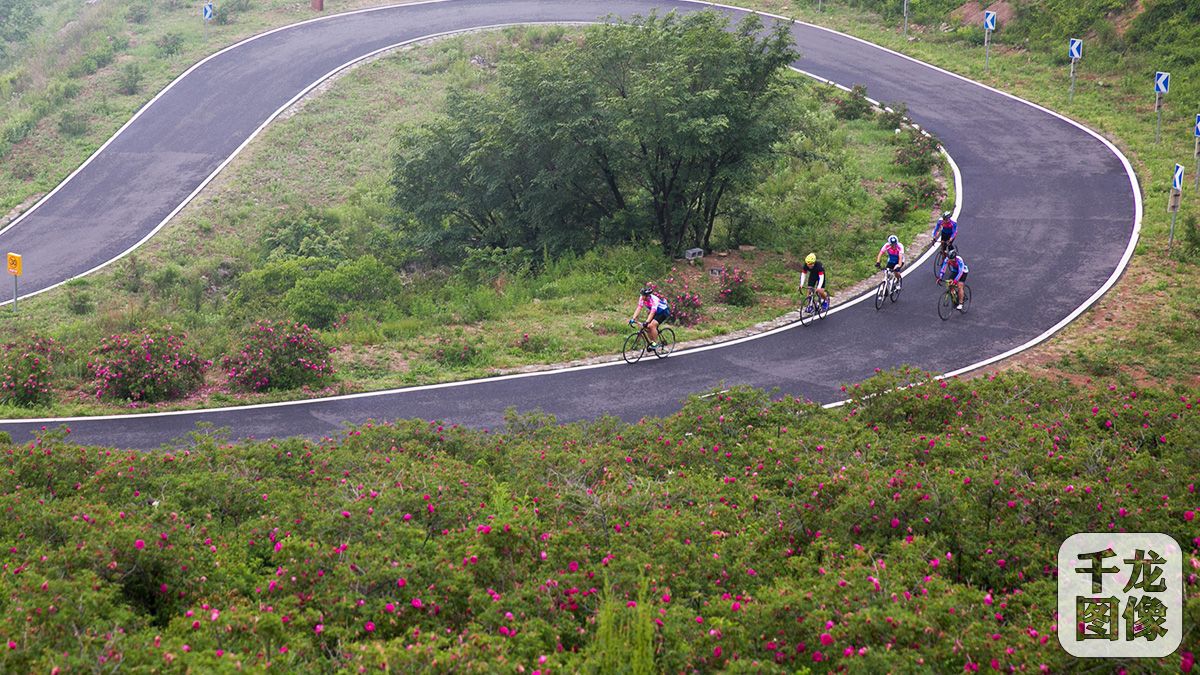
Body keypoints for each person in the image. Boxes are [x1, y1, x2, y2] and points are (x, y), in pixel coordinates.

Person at [630, 286, 670, 351]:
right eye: (641, 295)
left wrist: (647, 322)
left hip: (663, 312)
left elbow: (652, 312)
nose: (642, 297)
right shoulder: (642, 298)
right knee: (647, 327)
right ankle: (652, 342)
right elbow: (639, 308)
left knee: (652, 325)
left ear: (647, 296)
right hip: (655, 312)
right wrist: (633, 318)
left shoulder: (654, 300)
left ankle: (655, 343)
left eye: (643, 296)